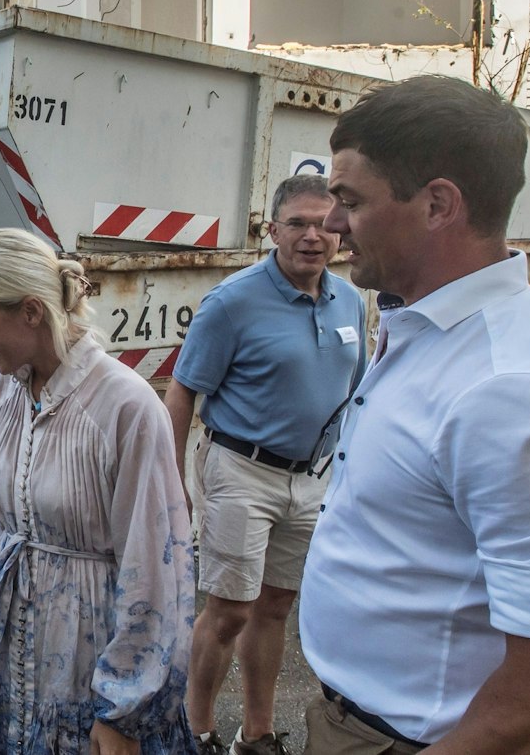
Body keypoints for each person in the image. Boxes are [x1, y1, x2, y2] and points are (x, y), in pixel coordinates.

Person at [299, 74, 530, 754]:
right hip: (363, 723)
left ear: (438, 205)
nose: (331, 224)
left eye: (349, 200)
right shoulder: (429, 332)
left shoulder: (509, 386)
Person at [0, 227, 197, 754]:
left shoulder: (127, 407)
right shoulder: (11, 385)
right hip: (6, 652)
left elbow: (157, 567)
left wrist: (122, 708)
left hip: (84, 655)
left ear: (31, 311)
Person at [166, 173, 366, 755]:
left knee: (276, 606)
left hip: (312, 478)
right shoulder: (232, 303)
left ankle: (256, 731)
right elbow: (182, 392)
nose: (312, 236)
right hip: (241, 470)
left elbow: (357, 395)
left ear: (339, 230)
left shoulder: (351, 298)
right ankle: (195, 726)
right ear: (271, 229)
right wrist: (174, 479)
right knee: (229, 610)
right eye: (297, 223)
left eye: (323, 223)